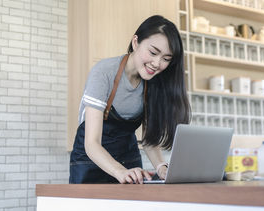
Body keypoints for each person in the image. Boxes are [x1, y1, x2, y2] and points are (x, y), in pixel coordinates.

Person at [69, 15, 191, 184]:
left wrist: (161, 167)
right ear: (135, 42)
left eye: (166, 59)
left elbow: (149, 139)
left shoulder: (154, 83)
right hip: (90, 161)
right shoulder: (104, 72)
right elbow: (92, 143)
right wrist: (120, 172)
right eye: (153, 52)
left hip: (129, 160)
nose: (157, 63)